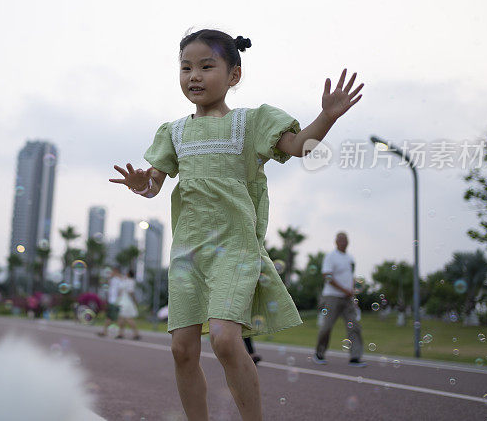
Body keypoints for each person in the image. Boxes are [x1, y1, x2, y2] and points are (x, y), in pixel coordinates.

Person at [110, 29, 363, 420]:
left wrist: (326, 116)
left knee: (227, 340)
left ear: (234, 76)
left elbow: (300, 147)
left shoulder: (253, 122)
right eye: (186, 67)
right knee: (182, 350)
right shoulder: (173, 132)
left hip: (236, 247)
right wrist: (143, 184)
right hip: (187, 253)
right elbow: (154, 184)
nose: (194, 76)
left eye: (206, 66)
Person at [315, 232, 366, 367]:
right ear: (336, 242)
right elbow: (327, 276)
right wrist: (344, 290)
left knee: (354, 325)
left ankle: (355, 357)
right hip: (332, 297)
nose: (343, 242)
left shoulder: (350, 258)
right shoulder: (331, 257)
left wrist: (352, 289)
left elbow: (350, 276)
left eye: (345, 240)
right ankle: (319, 354)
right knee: (326, 327)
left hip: (348, 298)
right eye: (341, 240)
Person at [115, 269, 142, 340]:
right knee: (126, 318)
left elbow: (122, 291)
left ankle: (122, 333)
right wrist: (135, 300)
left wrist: (118, 300)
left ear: (128, 274)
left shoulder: (126, 281)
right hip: (126, 301)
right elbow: (131, 292)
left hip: (122, 301)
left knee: (124, 318)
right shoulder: (130, 281)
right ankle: (133, 333)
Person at [98, 266, 123, 337]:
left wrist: (118, 300)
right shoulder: (113, 279)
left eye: (112, 271)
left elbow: (120, 291)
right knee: (112, 317)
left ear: (116, 271)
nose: (111, 273)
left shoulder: (118, 280)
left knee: (115, 318)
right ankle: (106, 332)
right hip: (112, 301)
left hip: (115, 302)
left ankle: (118, 333)